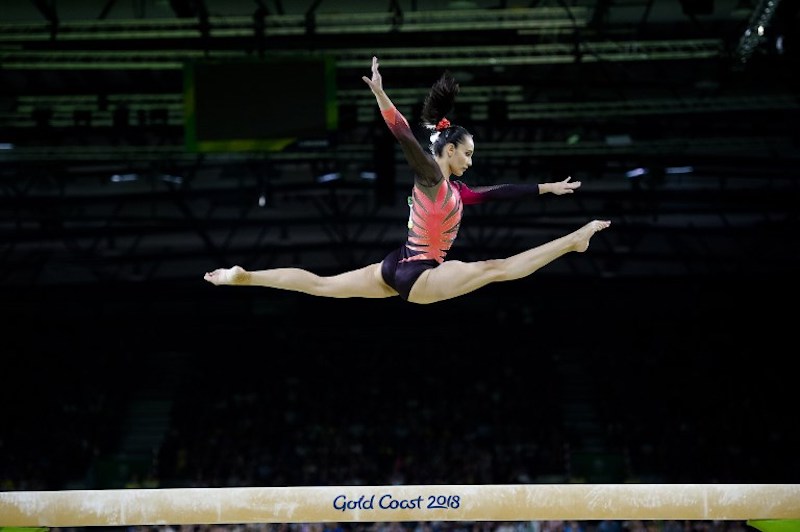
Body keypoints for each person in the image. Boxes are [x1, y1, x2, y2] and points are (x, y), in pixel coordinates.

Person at [204, 56, 610, 304]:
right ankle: (574, 241)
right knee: (496, 269)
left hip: (394, 265)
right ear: (449, 150)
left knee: (322, 285)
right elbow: (404, 136)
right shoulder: (433, 177)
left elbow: (495, 193)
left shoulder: (453, 190)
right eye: (467, 153)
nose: (470, 160)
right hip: (422, 274)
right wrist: (382, 97)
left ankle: (246, 276)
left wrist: (545, 188)